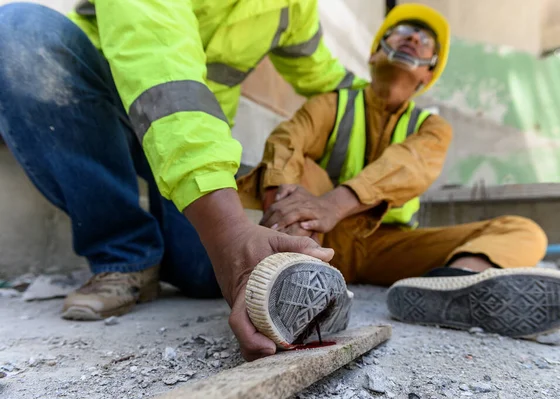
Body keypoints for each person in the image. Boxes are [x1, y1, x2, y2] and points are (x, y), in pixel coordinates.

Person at [0, 0, 365, 361]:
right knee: (19, 30)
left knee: (205, 277)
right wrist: (227, 231)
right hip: (102, 109)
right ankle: (125, 253)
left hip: (195, 137)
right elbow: (161, 70)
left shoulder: (293, 7)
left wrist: (386, 97)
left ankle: (161, 241)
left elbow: (327, 80)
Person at [238, 3, 560, 338]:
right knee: (295, 170)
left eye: (425, 42)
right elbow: (287, 142)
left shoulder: (431, 127)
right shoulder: (332, 103)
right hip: (320, 240)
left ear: (427, 74)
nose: (414, 39)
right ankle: (300, 284)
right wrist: (282, 203)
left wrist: (333, 204)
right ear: (374, 53)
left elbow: (408, 165)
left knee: (522, 230)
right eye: (402, 31)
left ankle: (455, 283)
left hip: (389, 247)